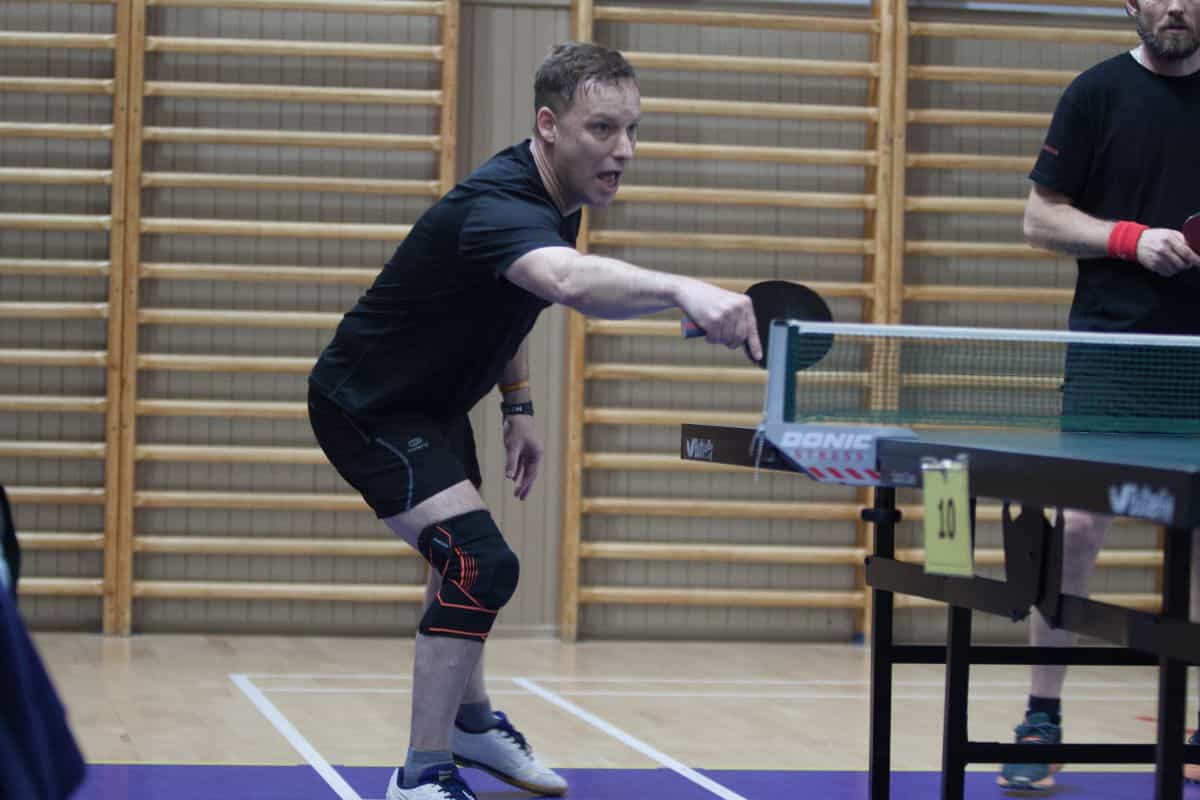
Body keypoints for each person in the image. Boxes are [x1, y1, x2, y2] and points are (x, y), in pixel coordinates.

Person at [307, 42, 760, 800]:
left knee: (457, 567)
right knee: (479, 562)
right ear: (548, 125)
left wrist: (517, 404)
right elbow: (565, 282)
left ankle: (470, 724)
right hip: (367, 406)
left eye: (633, 129)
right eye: (603, 129)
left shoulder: (557, 202)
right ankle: (421, 773)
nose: (624, 150)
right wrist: (684, 289)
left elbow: (514, 299)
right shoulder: (500, 205)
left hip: (434, 403)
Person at [1004, 0, 1200, 789]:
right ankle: (1042, 715)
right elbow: (1039, 219)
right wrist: (1130, 238)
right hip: (1115, 353)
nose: (1176, 5)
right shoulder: (1095, 94)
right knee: (1081, 524)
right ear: (1130, 3)